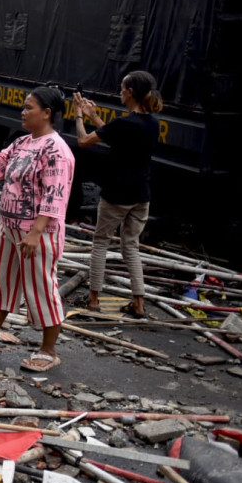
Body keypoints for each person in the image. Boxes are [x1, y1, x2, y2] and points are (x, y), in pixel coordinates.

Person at [0, 87, 76, 372]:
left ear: (46, 113)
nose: (23, 112)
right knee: (3, 283)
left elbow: (55, 197)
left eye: (29, 107)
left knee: (42, 288)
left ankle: (48, 350)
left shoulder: (56, 150)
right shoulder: (22, 143)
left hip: (38, 233)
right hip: (10, 228)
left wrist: (35, 233)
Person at [73, 71, 162, 318]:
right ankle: (139, 303)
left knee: (101, 242)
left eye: (122, 88)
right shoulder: (152, 123)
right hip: (141, 194)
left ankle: (93, 299)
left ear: (130, 92)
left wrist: (79, 115)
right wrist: (94, 116)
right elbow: (117, 138)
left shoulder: (124, 123)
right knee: (130, 246)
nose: (120, 92)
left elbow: (83, 141)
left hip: (117, 194)